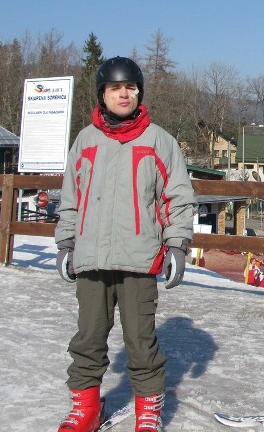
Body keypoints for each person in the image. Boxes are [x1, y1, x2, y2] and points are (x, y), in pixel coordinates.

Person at [54, 56, 196, 432]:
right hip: (91, 256)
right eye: (115, 88)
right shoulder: (86, 140)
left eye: (130, 87)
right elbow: (71, 196)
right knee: (88, 337)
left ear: (139, 93)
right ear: (102, 94)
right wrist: (67, 241)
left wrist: (177, 245)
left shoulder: (159, 141)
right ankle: (86, 408)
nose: (123, 94)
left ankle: (148, 409)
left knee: (140, 340)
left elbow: (177, 198)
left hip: (139, 257)